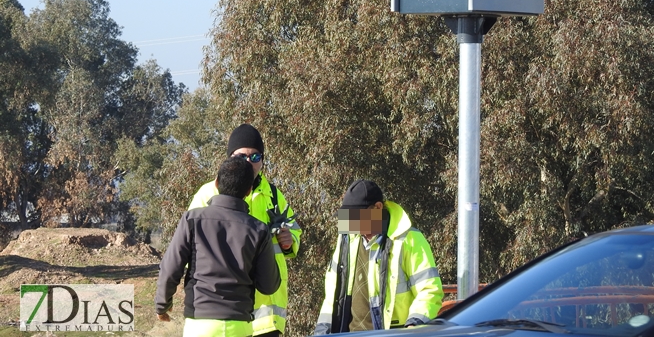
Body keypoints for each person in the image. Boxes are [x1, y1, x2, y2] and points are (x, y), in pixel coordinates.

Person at [189, 123, 301, 337]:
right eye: (242, 157)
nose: (249, 162)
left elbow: (295, 231)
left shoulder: (275, 196)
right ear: (229, 158)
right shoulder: (206, 195)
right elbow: (187, 247)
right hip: (223, 312)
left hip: (267, 317)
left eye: (255, 157)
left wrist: (290, 241)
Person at [155, 156, 281, 337]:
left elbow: (171, 267)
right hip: (240, 327)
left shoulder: (192, 220)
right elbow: (268, 286)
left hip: (200, 325)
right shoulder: (259, 229)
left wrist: (162, 305)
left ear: (216, 183)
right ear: (249, 190)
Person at [314, 179, 443, 334]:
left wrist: (413, 327)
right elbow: (332, 294)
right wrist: (322, 331)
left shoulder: (409, 239)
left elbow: (429, 290)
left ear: (378, 207)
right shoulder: (345, 240)